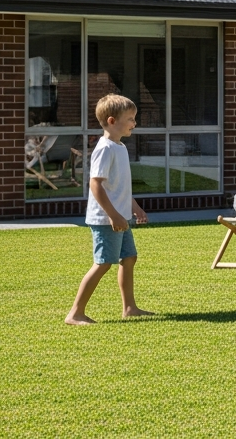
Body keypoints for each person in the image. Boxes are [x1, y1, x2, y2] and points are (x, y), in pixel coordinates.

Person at [65, 94, 152, 325]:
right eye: (131, 119)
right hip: (106, 219)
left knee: (129, 257)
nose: (135, 123)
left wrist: (135, 208)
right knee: (103, 262)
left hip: (120, 217)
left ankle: (130, 308)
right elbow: (96, 184)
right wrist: (113, 215)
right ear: (112, 121)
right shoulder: (104, 149)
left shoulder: (120, 147)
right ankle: (75, 313)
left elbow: (120, 186)